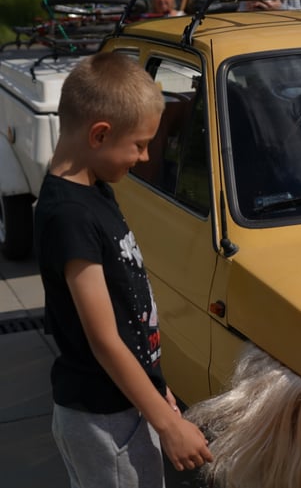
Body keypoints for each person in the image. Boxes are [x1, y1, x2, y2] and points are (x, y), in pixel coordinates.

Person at [34, 52, 214, 487]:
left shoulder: (95, 189)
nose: (145, 156)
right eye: (139, 144)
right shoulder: (69, 216)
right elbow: (103, 340)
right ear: (100, 134)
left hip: (127, 404)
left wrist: (156, 388)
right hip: (104, 419)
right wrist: (168, 425)